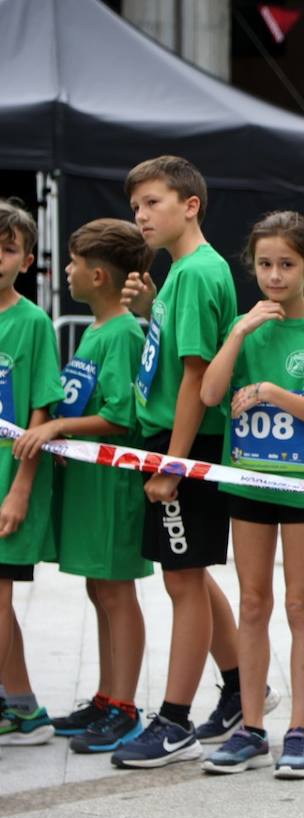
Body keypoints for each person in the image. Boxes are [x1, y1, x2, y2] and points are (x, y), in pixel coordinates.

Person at [113, 156, 270, 767]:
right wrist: (151, 310)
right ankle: (235, 691)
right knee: (192, 573)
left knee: (183, 582)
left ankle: (173, 721)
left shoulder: (200, 273)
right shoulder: (181, 275)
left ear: (190, 204)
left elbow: (194, 377)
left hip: (186, 446)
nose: (141, 217)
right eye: (136, 207)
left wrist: (173, 465)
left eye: (152, 203)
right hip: (172, 442)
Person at [198, 213, 304, 779]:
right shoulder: (247, 326)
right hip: (246, 479)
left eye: (286, 265)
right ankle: (249, 728)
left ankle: (301, 728)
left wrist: (272, 392)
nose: (274, 275)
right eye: (264, 264)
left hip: (301, 483)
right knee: (251, 601)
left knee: (298, 602)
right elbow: (211, 392)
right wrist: (239, 333)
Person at [15, 220, 153, 753]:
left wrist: (57, 426)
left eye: (72, 263)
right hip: (87, 485)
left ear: (97, 275)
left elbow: (120, 416)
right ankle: (106, 695)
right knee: (100, 590)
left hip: (112, 487)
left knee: (118, 592)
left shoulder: (121, 332)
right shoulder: (97, 330)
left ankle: (125, 705)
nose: (65, 270)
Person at [0, 201, 63, 749]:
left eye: (7, 248)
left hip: (6, 485)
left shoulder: (33, 322)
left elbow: (42, 412)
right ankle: (23, 708)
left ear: (25, 260)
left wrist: (20, 489)